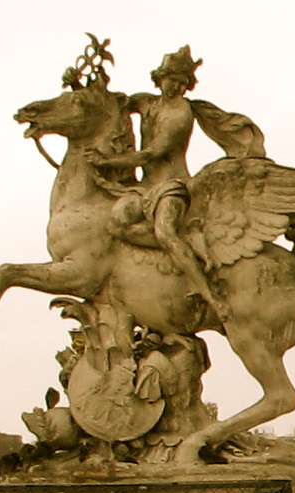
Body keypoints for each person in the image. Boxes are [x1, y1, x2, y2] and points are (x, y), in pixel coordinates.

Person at [86, 46, 232, 323]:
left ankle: (208, 293)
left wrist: (108, 162)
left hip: (172, 186)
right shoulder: (145, 103)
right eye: (171, 79)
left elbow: (152, 153)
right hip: (143, 188)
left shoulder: (181, 113)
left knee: (165, 232)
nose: (175, 86)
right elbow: (110, 105)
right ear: (160, 77)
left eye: (181, 82)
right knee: (112, 223)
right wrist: (86, 83)